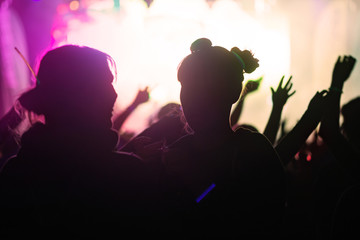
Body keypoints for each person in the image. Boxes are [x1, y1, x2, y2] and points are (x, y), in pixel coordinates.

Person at [0, 45, 154, 238]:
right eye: (104, 83)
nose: (113, 94)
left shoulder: (16, 172)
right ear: (79, 94)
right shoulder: (126, 173)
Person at [160, 38, 287, 238]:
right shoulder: (176, 151)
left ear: (233, 93)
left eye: (204, 89)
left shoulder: (252, 151)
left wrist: (196, 179)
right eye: (188, 87)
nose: (193, 98)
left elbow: (251, 222)